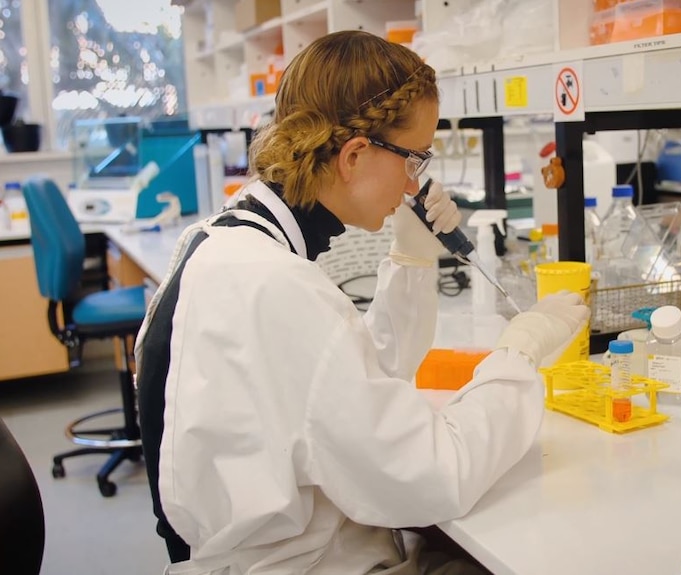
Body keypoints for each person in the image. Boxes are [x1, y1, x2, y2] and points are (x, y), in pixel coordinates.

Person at [135, 30, 590, 575]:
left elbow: (348, 386)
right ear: (353, 155)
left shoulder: (220, 242)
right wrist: (518, 354)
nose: (414, 184)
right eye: (414, 159)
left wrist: (412, 261)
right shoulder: (275, 284)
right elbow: (432, 475)